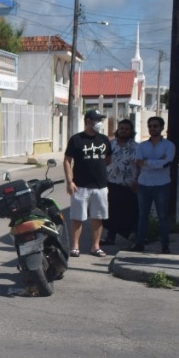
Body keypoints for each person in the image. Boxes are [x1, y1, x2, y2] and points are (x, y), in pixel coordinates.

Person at [63, 109, 110, 257]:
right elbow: (67, 160)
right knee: (77, 217)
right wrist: (70, 181)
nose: (100, 123)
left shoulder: (104, 139)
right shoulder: (76, 139)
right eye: (97, 120)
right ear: (88, 121)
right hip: (80, 186)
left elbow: (108, 159)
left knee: (98, 217)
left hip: (100, 186)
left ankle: (95, 246)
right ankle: (75, 246)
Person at [132, 116, 176, 253]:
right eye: (150, 126)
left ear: (162, 127)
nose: (152, 128)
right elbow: (138, 162)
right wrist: (156, 162)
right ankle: (139, 244)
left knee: (162, 216)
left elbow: (167, 163)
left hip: (161, 185)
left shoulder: (169, 145)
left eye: (155, 126)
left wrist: (147, 162)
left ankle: (165, 246)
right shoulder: (142, 145)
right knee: (142, 215)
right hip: (144, 184)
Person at [102, 118, 138, 247]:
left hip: (128, 186)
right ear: (118, 129)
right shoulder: (110, 145)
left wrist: (137, 181)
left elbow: (139, 166)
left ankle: (134, 239)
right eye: (121, 128)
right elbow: (103, 162)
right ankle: (110, 237)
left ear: (131, 131)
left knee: (128, 213)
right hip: (111, 183)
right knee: (110, 212)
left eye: (127, 129)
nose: (123, 131)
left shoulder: (136, 147)